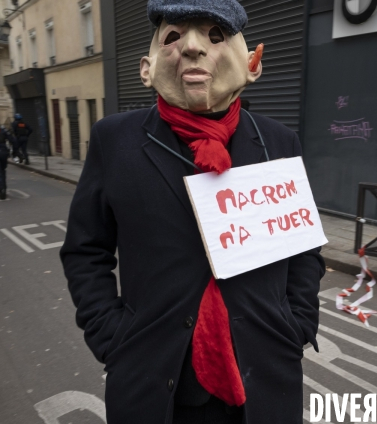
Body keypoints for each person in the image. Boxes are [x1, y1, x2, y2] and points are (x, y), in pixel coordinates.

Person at [60, 1, 325, 423]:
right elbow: (84, 250)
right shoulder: (114, 140)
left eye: (215, 35)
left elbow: (305, 248)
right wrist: (110, 335)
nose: (193, 48)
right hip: (154, 381)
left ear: (252, 64)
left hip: (262, 381)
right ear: (146, 68)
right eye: (173, 36)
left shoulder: (279, 142)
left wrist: (298, 323)